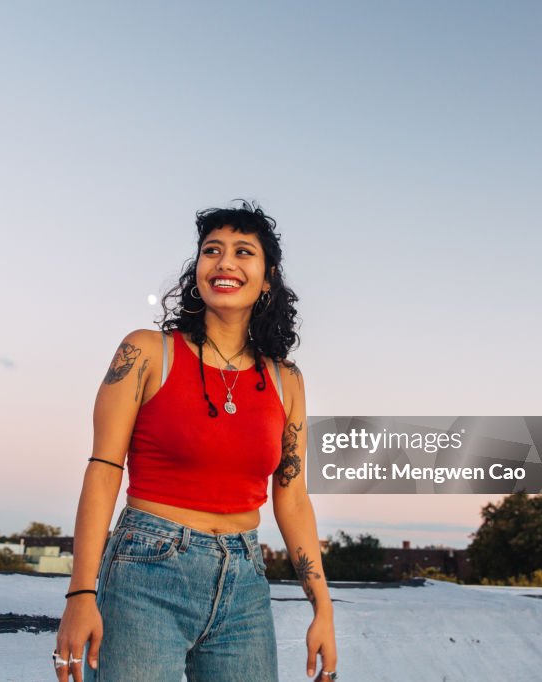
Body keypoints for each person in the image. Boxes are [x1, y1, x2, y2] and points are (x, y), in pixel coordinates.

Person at [54, 200, 337, 681]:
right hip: (147, 571)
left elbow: (291, 496)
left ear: (267, 279)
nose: (225, 262)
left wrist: (323, 608)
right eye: (212, 250)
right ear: (198, 270)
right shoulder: (145, 352)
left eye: (243, 252)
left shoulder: (286, 379)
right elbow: (103, 472)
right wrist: (81, 594)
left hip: (245, 579)